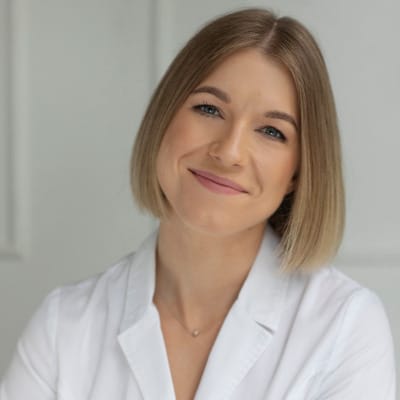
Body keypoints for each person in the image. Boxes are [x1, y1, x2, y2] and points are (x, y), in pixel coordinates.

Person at [0, 8, 396, 400]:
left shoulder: (345, 327)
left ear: (298, 171)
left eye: (271, 131)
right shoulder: (63, 327)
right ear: (164, 118)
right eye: (209, 109)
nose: (229, 152)